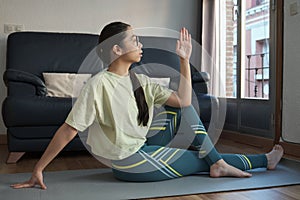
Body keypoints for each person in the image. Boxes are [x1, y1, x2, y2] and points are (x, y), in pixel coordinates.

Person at [11, 22, 284, 189]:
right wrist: (38, 168)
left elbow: (185, 102)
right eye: (134, 40)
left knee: (184, 109)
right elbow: (68, 129)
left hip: (144, 145)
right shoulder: (98, 85)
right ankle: (254, 161)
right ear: (116, 49)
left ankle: (220, 163)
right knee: (201, 161)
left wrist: (184, 60)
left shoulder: (139, 79)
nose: (140, 44)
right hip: (129, 162)